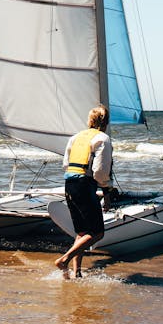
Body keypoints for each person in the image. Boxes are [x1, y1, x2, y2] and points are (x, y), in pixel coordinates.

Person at [54, 104, 113, 278]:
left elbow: (66, 164)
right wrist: (106, 193)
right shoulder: (102, 139)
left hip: (70, 184)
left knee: (81, 232)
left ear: (90, 120)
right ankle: (64, 260)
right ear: (106, 122)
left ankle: (75, 273)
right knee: (97, 233)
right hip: (85, 185)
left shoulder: (76, 137)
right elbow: (100, 172)